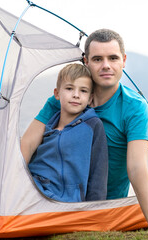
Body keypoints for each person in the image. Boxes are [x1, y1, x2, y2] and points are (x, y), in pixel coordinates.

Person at [21, 29, 148, 231]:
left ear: (123, 60)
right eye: (97, 59)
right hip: (50, 197)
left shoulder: (134, 107)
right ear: (86, 61)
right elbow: (28, 143)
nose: (106, 66)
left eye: (113, 58)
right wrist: (15, 192)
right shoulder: (67, 98)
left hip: (103, 207)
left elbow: (136, 166)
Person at [21, 63, 108, 202]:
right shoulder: (48, 125)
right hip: (33, 192)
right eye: (69, 88)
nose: (76, 95)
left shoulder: (92, 125)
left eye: (83, 91)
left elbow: (98, 173)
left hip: (66, 202)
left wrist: (94, 212)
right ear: (57, 93)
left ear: (90, 98)